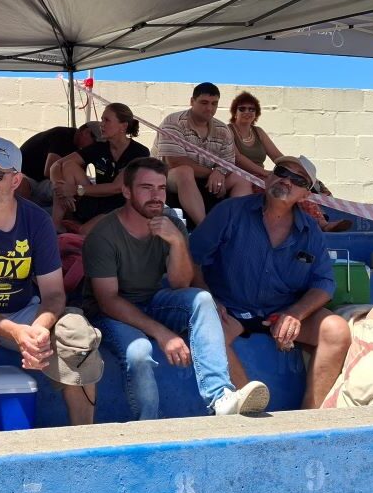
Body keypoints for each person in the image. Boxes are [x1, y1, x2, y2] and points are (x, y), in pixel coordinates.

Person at [83, 157, 270, 420]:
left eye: (160, 188)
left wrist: (177, 242)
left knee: (203, 299)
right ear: (126, 191)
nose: (155, 196)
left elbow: (181, 283)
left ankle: (220, 398)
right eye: (146, 188)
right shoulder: (104, 235)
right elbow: (108, 301)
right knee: (139, 353)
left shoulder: (170, 222)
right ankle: (149, 426)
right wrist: (163, 333)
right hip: (112, 312)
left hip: (152, 301)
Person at [0, 137, 102, 434]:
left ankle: (84, 437)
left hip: (23, 312)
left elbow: (53, 294)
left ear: (16, 180)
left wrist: (38, 329)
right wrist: (14, 332)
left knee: (76, 330)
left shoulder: (36, 221)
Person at [189, 154, 352, 410]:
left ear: (305, 195)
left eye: (297, 180)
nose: (287, 181)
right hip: (230, 308)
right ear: (268, 176)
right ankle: (249, 411)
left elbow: (324, 283)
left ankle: (311, 417)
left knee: (336, 330)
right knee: (208, 332)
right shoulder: (230, 211)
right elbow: (193, 256)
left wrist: (295, 314)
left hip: (282, 311)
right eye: (282, 171)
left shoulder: (311, 230)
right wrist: (208, 298)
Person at [228, 91, 350, 233]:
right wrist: (264, 172)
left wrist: (295, 171)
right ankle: (322, 224)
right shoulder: (228, 130)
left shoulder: (258, 132)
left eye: (251, 109)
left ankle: (322, 219)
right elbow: (238, 158)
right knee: (290, 188)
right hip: (245, 177)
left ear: (257, 113)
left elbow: (277, 156)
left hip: (263, 175)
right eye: (242, 108)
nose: (247, 112)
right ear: (234, 112)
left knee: (305, 182)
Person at [154, 82, 252, 227]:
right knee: (184, 172)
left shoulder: (222, 129)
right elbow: (175, 161)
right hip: (168, 178)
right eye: (204, 103)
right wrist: (213, 173)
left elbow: (228, 162)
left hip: (206, 181)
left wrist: (220, 172)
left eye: (214, 103)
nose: (209, 108)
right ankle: (204, 228)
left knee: (242, 177)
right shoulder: (173, 122)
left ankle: (236, 228)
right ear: (192, 101)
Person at [50, 102, 150, 234]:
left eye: (107, 120)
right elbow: (57, 165)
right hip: (95, 199)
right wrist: (60, 186)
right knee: (69, 166)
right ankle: (55, 226)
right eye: (102, 119)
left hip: (120, 206)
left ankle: (72, 225)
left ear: (123, 126)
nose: (101, 124)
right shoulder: (99, 147)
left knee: (85, 232)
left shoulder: (139, 152)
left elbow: (117, 187)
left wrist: (75, 190)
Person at [19, 123, 97, 204]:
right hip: (27, 177)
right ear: (86, 132)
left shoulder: (81, 148)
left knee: (71, 187)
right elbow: (49, 170)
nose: (95, 147)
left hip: (45, 182)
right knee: (21, 184)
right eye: (95, 143)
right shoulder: (62, 136)